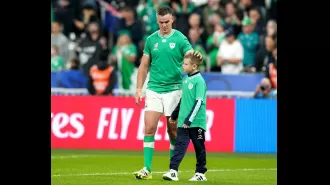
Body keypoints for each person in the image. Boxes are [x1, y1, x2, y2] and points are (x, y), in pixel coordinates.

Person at [133, 6, 201, 180]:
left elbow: (189, 56)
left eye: (167, 22)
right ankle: (147, 169)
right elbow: (143, 66)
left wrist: (195, 57)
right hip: (154, 88)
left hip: (174, 90)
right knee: (149, 128)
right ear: (157, 21)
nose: (164, 25)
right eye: (161, 22)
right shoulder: (151, 40)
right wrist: (139, 89)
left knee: (172, 132)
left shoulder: (180, 39)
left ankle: (173, 170)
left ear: (172, 20)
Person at [162, 52, 208, 181]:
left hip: (196, 122)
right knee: (179, 146)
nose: (183, 66)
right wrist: (175, 114)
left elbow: (199, 101)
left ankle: (200, 173)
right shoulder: (185, 79)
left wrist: (190, 119)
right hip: (183, 122)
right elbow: (183, 99)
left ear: (194, 66)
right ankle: (173, 171)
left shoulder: (199, 81)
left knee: (199, 147)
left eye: (186, 64)